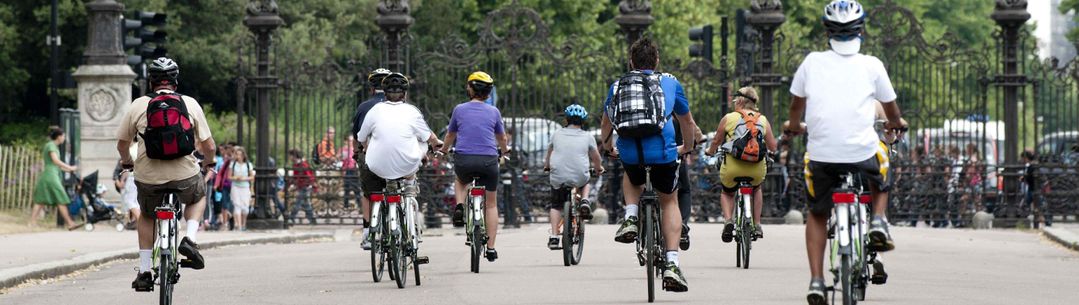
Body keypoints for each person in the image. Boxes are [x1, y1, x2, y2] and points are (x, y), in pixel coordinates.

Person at [782, 2, 907, 303]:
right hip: (863, 153)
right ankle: (877, 220)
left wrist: (795, 125)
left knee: (816, 213)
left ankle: (815, 281)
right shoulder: (873, 65)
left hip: (822, 157)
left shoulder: (811, 62)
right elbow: (891, 111)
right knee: (883, 165)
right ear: (861, 30)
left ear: (827, 31)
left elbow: (796, 107)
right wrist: (897, 122)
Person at [601, 37, 700, 292]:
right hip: (664, 153)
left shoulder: (617, 85)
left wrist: (607, 146)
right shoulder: (669, 82)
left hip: (631, 151)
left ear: (631, 61)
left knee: (631, 175)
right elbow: (686, 122)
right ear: (656, 61)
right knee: (669, 200)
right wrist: (687, 147)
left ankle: (631, 217)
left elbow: (607, 122)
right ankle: (672, 263)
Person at [117, 57, 216, 291]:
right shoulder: (189, 103)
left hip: (148, 177)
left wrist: (127, 162)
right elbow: (209, 146)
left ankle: (143, 271)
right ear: (175, 81)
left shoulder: (138, 105)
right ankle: (190, 239)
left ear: (151, 81)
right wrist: (208, 164)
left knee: (147, 216)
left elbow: (122, 143)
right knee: (198, 195)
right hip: (184, 175)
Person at [356, 73, 443, 242]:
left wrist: (367, 147)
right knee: (422, 145)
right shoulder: (411, 111)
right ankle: (410, 187)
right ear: (405, 94)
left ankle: (376, 225)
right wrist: (435, 145)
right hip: (406, 166)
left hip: (376, 166)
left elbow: (360, 138)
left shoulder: (374, 111)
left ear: (384, 93)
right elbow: (428, 137)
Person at [439, 71, 511, 262]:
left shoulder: (459, 109)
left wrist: (444, 150)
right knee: (491, 204)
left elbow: (450, 135)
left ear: (470, 88)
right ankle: (491, 248)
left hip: (464, 160)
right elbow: (502, 138)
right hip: (488, 161)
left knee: (461, 181)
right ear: (488, 93)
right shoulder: (494, 111)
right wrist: (504, 151)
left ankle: (460, 205)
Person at [705, 86, 777, 242]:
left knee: (727, 192)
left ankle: (728, 220)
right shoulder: (762, 119)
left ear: (740, 101)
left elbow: (717, 141)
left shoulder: (729, 118)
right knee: (757, 188)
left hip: (732, 168)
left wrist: (709, 152)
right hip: (756, 170)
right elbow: (773, 146)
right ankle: (757, 224)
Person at [543, 104, 604, 249]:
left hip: (558, 175)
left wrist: (547, 166)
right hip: (579, 175)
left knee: (556, 206)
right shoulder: (588, 136)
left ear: (566, 120)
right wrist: (599, 168)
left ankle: (553, 236)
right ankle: (584, 200)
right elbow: (596, 157)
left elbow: (549, 153)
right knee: (586, 181)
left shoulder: (556, 134)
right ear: (583, 122)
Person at [351, 68, 391, 250]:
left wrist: (356, 154)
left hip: (369, 158)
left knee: (368, 193)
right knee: (397, 189)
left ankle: (367, 232)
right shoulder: (400, 106)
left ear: (371, 88)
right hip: (395, 160)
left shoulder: (364, 107)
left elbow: (357, 138)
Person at [30, 126, 79, 229]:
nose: (64, 138)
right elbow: (55, 161)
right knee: (61, 198)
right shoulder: (51, 146)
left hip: (50, 174)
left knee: (40, 200)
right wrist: (69, 167)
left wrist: (69, 170)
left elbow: (55, 165)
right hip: (51, 176)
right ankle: (70, 223)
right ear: (59, 137)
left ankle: (32, 223)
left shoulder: (52, 146)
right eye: (63, 136)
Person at [287, 149, 317, 225]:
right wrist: (291, 184)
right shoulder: (296, 165)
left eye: (290, 156)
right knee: (306, 204)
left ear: (294, 156)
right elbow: (295, 177)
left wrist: (309, 185)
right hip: (301, 186)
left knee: (298, 203)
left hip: (305, 187)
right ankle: (312, 219)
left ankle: (291, 218)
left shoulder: (303, 165)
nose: (289, 157)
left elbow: (309, 176)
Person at [229, 146, 254, 231]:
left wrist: (244, 178)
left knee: (245, 208)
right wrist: (235, 178)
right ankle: (239, 226)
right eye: (237, 154)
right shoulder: (233, 164)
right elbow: (229, 176)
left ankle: (244, 224)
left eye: (240, 154)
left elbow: (252, 177)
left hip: (245, 187)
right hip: (235, 186)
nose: (238, 156)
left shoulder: (248, 164)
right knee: (237, 206)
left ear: (243, 155)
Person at [340, 134, 362, 210]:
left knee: (356, 189)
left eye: (352, 141)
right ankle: (346, 206)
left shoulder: (355, 149)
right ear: (346, 141)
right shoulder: (343, 150)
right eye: (349, 140)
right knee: (347, 189)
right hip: (346, 170)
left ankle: (360, 205)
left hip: (354, 170)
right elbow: (341, 160)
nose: (351, 142)